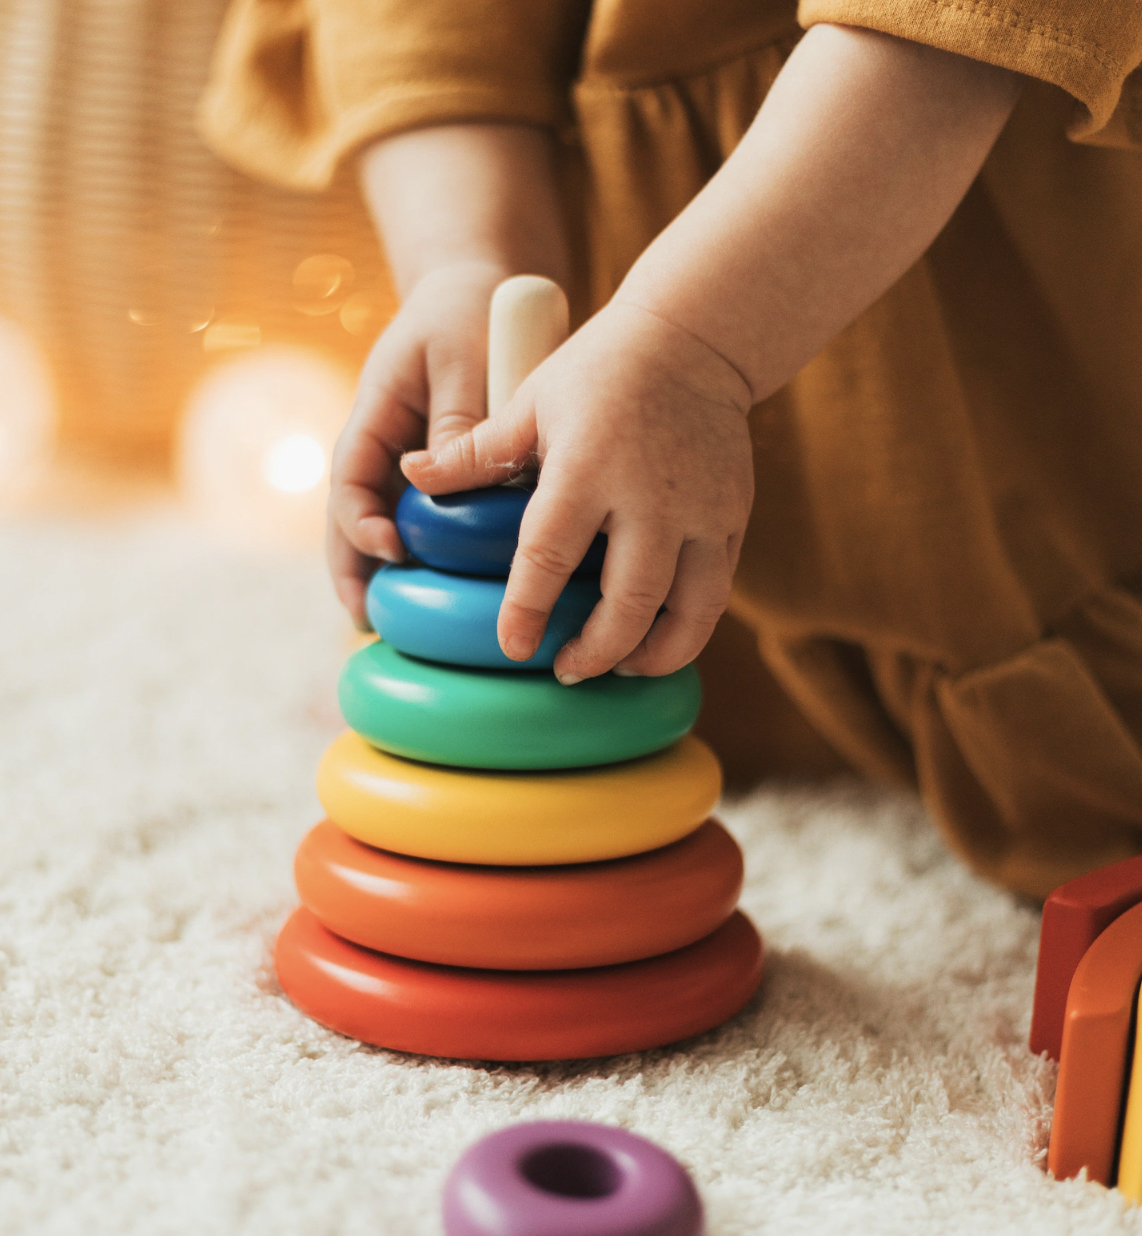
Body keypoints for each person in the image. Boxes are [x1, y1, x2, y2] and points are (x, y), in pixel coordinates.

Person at [200, 0, 1142, 899]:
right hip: (637, 448)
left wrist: (690, 346)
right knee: (599, 663)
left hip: (986, 446)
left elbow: (959, 34)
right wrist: (474, 270)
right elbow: (424, 30)